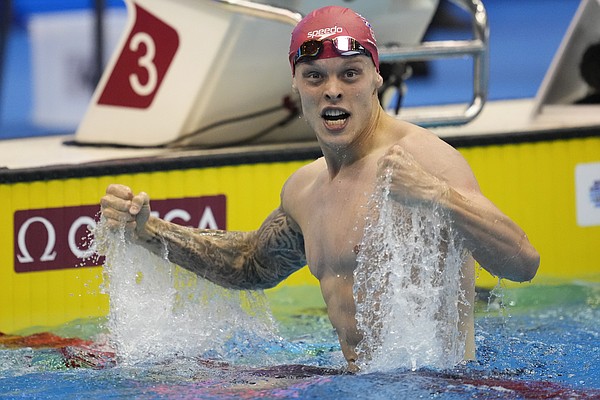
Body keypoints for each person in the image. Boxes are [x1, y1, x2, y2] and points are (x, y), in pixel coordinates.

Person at [100, 6, 540, 372]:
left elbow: (523, 263)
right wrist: (150, 232)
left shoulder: (424, 162)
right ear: (295, 84)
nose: (333, 91)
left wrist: (437, 196)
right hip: (353, 382)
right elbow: (248, 264)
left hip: (438, 386)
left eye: (350, 74)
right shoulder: (305, 189)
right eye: (315, 77)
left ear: (375, 78)